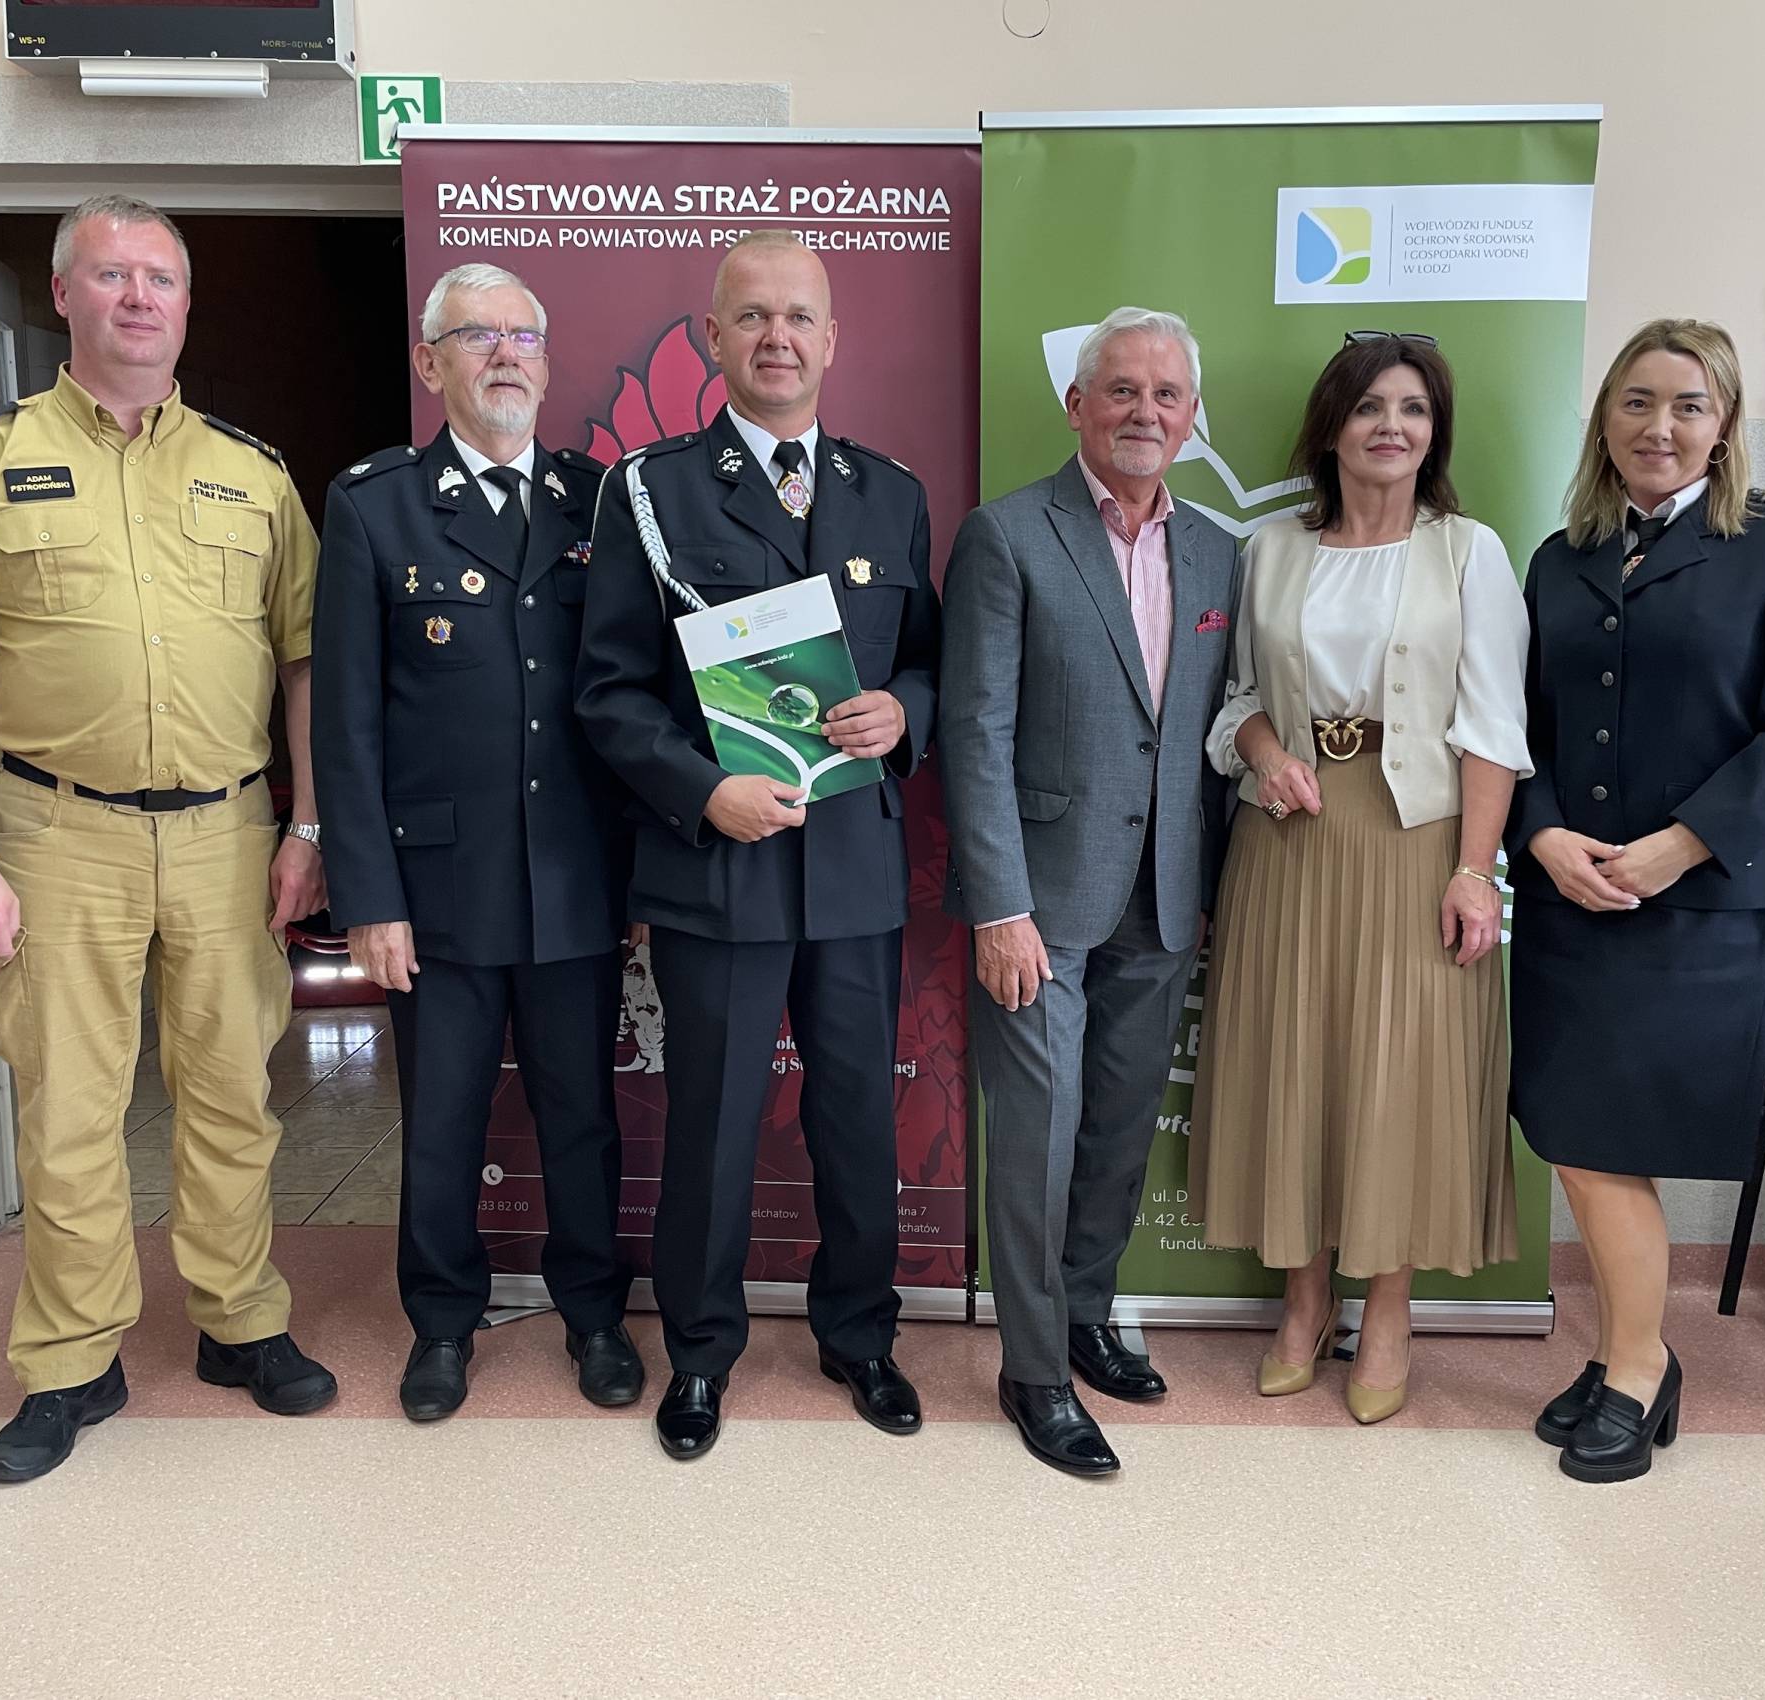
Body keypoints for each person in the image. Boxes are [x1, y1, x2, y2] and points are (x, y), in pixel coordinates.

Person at [0, 194, 336, 1483]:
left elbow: (308, 665)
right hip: (57, 833)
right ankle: (71, 1360)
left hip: (230, 832)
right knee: (68, 1102)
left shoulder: (252, 472)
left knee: (232, 1089)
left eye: (160, 278)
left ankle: (241, 1320)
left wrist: (307, 821)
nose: (138, 297)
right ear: (64, 293)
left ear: (186, 303)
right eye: (112, 275)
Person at [575, 232, 941, 1460]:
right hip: (717, 862)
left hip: (851, 867)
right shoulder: (652, 490)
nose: (777, 337)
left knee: (858, 1120)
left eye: (798, 316)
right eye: (752, 316)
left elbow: (927, 661)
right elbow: (608, 690)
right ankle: (700, 1352)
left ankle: (861, 1335)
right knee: (713, 1123)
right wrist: (701, 790)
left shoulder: (889, 492)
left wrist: (903, 716)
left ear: (832, 339)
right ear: (715, 337)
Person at [1509, 318, 1765, 1483]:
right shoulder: (1559, 558)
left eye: (1688, 404)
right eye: (1637, 401)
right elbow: (1522, 728)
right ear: (1604, 419)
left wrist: (1679, 845)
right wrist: (1540, 832)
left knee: (1620, 1137)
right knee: (1575, 1137)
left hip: (1702, 907)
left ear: (1725, 424)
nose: (1660, 426)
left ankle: (1636, 1368)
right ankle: (1632, 1353)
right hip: (1567, 898)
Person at [311, 262, 642, 1422]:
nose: (505, 354)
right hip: (437, 885)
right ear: (429, 361)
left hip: (575, 879)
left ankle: (594, 1312)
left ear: (546, 363)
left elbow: (634, 694)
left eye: (523, 336)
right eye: (476, 335)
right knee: (443, 1120)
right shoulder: (375, 504)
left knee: (581, 1116)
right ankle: (443, 1321)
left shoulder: (599, 501)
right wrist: (368, 894)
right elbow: (345, 720)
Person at [1191, 333, 1529, 1425]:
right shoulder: (1270, 550)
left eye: (1414, 408)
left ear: (1435, 433)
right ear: (1330, 427)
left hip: (1418, 838)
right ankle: (1303, 1302)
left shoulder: (1469, 551)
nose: (1393, 426)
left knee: (1401, 1072)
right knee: (1295, 1061)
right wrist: (1264, 754)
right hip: (1287, 836)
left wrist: (1475, 870)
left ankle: (1387, 1308)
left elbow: (1493, 725)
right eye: (1371, 406)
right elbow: (1236, 701)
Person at [939, 307, 1237, 1476]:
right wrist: (997, 906)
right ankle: (1032, 1370)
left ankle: (1082, 1315)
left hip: (1164, 898)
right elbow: (975, 730)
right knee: (1037, 1138)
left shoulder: (1217, 551)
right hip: (1039, 906)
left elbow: (1208, 724)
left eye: (1166, 393)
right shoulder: (1008, 534)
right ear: (1077, 404)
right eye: (1121, 389)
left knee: (1116, 1132)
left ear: (1192, 415)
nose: (1143, 411)